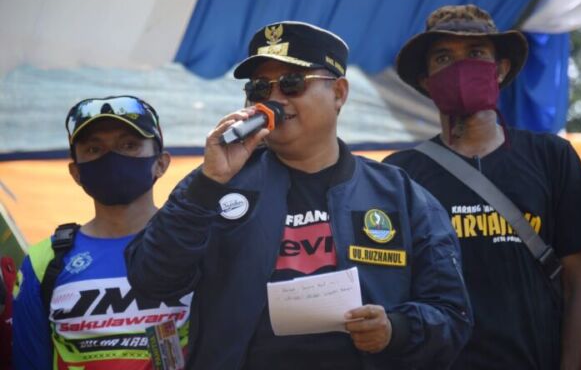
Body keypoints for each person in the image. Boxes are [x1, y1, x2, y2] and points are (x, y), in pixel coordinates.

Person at [125, 21, 472, 369]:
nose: (275, 99)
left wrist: (395, 329)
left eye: (293, 83)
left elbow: (451, 314)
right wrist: (208, 182)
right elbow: (151, 281)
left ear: (339, 93)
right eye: (260, 88)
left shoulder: (399, 194)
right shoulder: (214, 185)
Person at [384, 4, 581, 369]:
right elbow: (391, 292)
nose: (460, 67)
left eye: (476, 53)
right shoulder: (399, 175)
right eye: (443, 58)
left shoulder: (552, 157)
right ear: (426, 80)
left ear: (500, 69)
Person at [12, 96, 192, 369]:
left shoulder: (200, 244)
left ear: (161, 163)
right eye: (94, 149)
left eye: (129, 145)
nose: (112, 158)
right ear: (76, 172)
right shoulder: (43, 261)